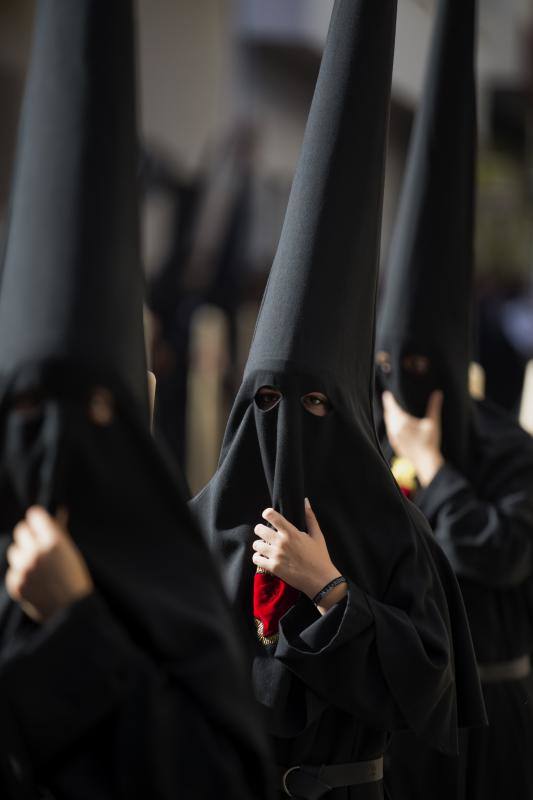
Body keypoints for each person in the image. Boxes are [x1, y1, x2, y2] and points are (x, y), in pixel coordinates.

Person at [190, 1, 486, 798]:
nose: (289, 432)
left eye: (316, 406)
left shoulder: (397, 536)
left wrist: (329, 589)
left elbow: (428, 694)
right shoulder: (198, 526)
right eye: (270, 403)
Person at [0, 2, 273, 798]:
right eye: (25, 415)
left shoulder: (178, 592)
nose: (51, 443)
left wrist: (81, 623)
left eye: (84, 409)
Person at [376, 0, 533, 797]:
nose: (403, 381)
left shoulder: (508, 450)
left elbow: (501, 552)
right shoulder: (364, 447)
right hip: (410, 741)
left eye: (419, 363)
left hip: (501, 729)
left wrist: (432, 467)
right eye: (386, 364)